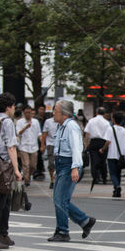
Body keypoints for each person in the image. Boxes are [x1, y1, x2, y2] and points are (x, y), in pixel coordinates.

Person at [48, 99, 96, 241]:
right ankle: (85, 221)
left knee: (60, 200)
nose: (53, 114)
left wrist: (75, 167)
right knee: (60, 199)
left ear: (65, 114)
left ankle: (63, 231)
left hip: (69, 164)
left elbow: (76, 148)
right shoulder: (61, 126)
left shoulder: (71, 127)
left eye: (55, 111)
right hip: (62, 164)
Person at [0, 93, 23, 250]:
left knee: (4, 199)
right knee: (1, 201)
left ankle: (3, 233)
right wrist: (16, 169)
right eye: (13, 106)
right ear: (8, 107)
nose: (14, 109)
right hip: (4, 164)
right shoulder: (7, 122)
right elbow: (11, 146)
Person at [84, 107, 111, 184]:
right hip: (103, 142)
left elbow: (87, 133)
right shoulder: (106, 122)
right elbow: (109, 134)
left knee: (94, 161)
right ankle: (104, 177)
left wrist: (86, 144)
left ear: (96, 112)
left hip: (94, 142)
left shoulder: (91, 121)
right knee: (103, 161)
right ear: (104, 113)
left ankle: (96, 178)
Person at [15, 105, 41, 187]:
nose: (28, 114)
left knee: (33, 165)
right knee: (26, 164)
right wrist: (25, 128)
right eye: (26, 113)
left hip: (34, 146)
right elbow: (18, 133)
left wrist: (42, 142)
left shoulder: (35, 122)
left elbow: (39, 133)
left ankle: (28, 176)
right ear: (23, 113)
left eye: (30, 113)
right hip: (24, 146)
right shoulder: (20, 122)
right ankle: (26, 180)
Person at [106, 111, 125, 198]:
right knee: (118, 173)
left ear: (113, 119)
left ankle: (117, 186)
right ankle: (117, 189)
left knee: (112, 173)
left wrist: (103, 148)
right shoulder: (124, 130)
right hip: (121, 155)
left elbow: (108, 141)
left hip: (111, 154)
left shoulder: (110, 129)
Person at [41, 110, 60, 189]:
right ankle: (52, 180)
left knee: (59, 163)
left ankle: (58, 180)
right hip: (51, 144)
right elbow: (44, 133)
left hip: (60, 145)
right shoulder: (48, 122)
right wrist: (43, 144)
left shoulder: (63, 121)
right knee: (51, 163)